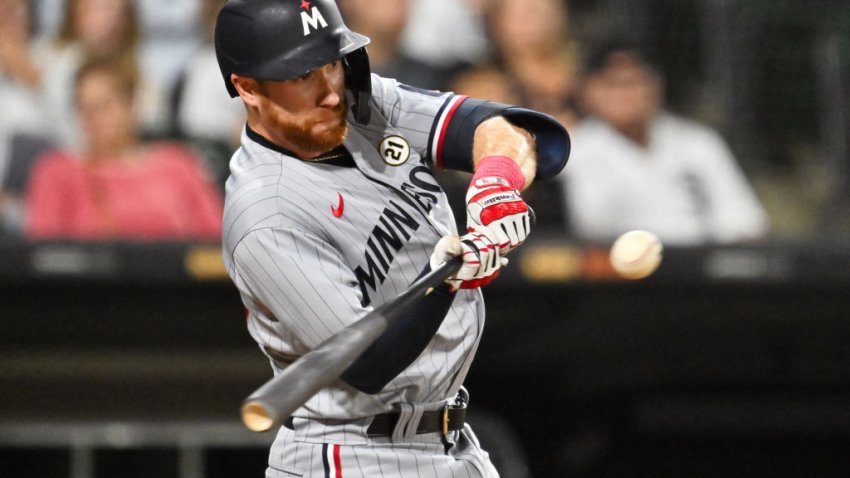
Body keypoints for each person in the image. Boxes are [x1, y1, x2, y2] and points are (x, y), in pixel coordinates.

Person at [214, 0, 569, 476]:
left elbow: (508, 128)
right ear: (247, 88)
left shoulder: (361, 104)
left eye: (331, 65)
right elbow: (368, 367)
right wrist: (445, 277)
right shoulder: (265, 214)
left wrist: (495, 182)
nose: (329, 92)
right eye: (301, 76)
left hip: (451, 439)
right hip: (354, 454)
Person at [561, 41, 770, 245]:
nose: (627, 95)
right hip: (618, 273)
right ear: (589, 90)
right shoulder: (572, 151)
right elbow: (590, 230)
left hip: (701, 269)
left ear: (656, 85)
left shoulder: (698, 142)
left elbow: (747, 223)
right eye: (615, 84)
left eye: (636, 82)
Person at [24, 56, 223, 241]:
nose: (93, 117)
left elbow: (215, 240)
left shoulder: (178, 165)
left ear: (131, 104)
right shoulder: (57, 171)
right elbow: (42, 251)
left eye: (104, 105)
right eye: (84, 107)